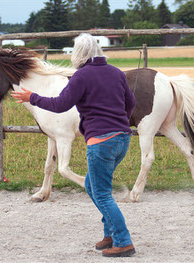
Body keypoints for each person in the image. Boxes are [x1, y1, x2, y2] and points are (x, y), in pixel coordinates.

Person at [11, 33, 136, 257]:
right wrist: (119, 123)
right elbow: (131, 103)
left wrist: (32, 98)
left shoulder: (81, 76)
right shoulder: (116, 73)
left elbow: (60, 105)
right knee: (93, 187)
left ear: (78, 53)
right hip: (122, 139)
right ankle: (111, 235)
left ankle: (123, 241)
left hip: (101, 143)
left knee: (102, 194)